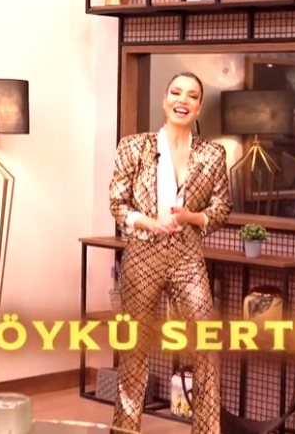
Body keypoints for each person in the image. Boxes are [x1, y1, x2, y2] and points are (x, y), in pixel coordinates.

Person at [108, 71, 232, 434]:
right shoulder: (134, 146)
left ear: (199, 107)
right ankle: (125, 429)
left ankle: (207, 430)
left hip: (187, 256)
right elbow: (117, 203)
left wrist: (192, 216)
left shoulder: (213, 154)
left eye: (192, 96)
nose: (183, 100)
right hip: (143, 254)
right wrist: (147, 222)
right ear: (165, 101)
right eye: (176, 93)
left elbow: (221, 208)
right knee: (134, 347)